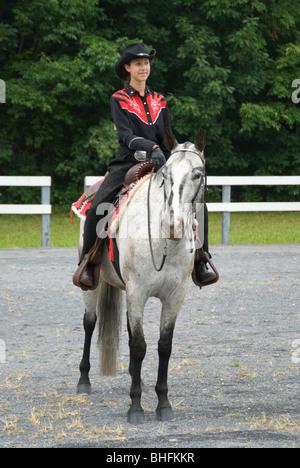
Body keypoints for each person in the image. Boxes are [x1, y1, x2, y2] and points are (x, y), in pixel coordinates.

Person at [77, 42, 216, 288]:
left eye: (147, 63)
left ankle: (200, 259)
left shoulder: (160, 100)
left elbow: (166, 134)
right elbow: (126, 136)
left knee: (198, 206)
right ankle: (89, 262)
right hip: (127, 162)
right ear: (127, 68)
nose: (144, 67)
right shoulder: (118, 99)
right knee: (98, 208)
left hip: (162, 160)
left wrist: (174, 151)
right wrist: (150, 148)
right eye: (138, 63)